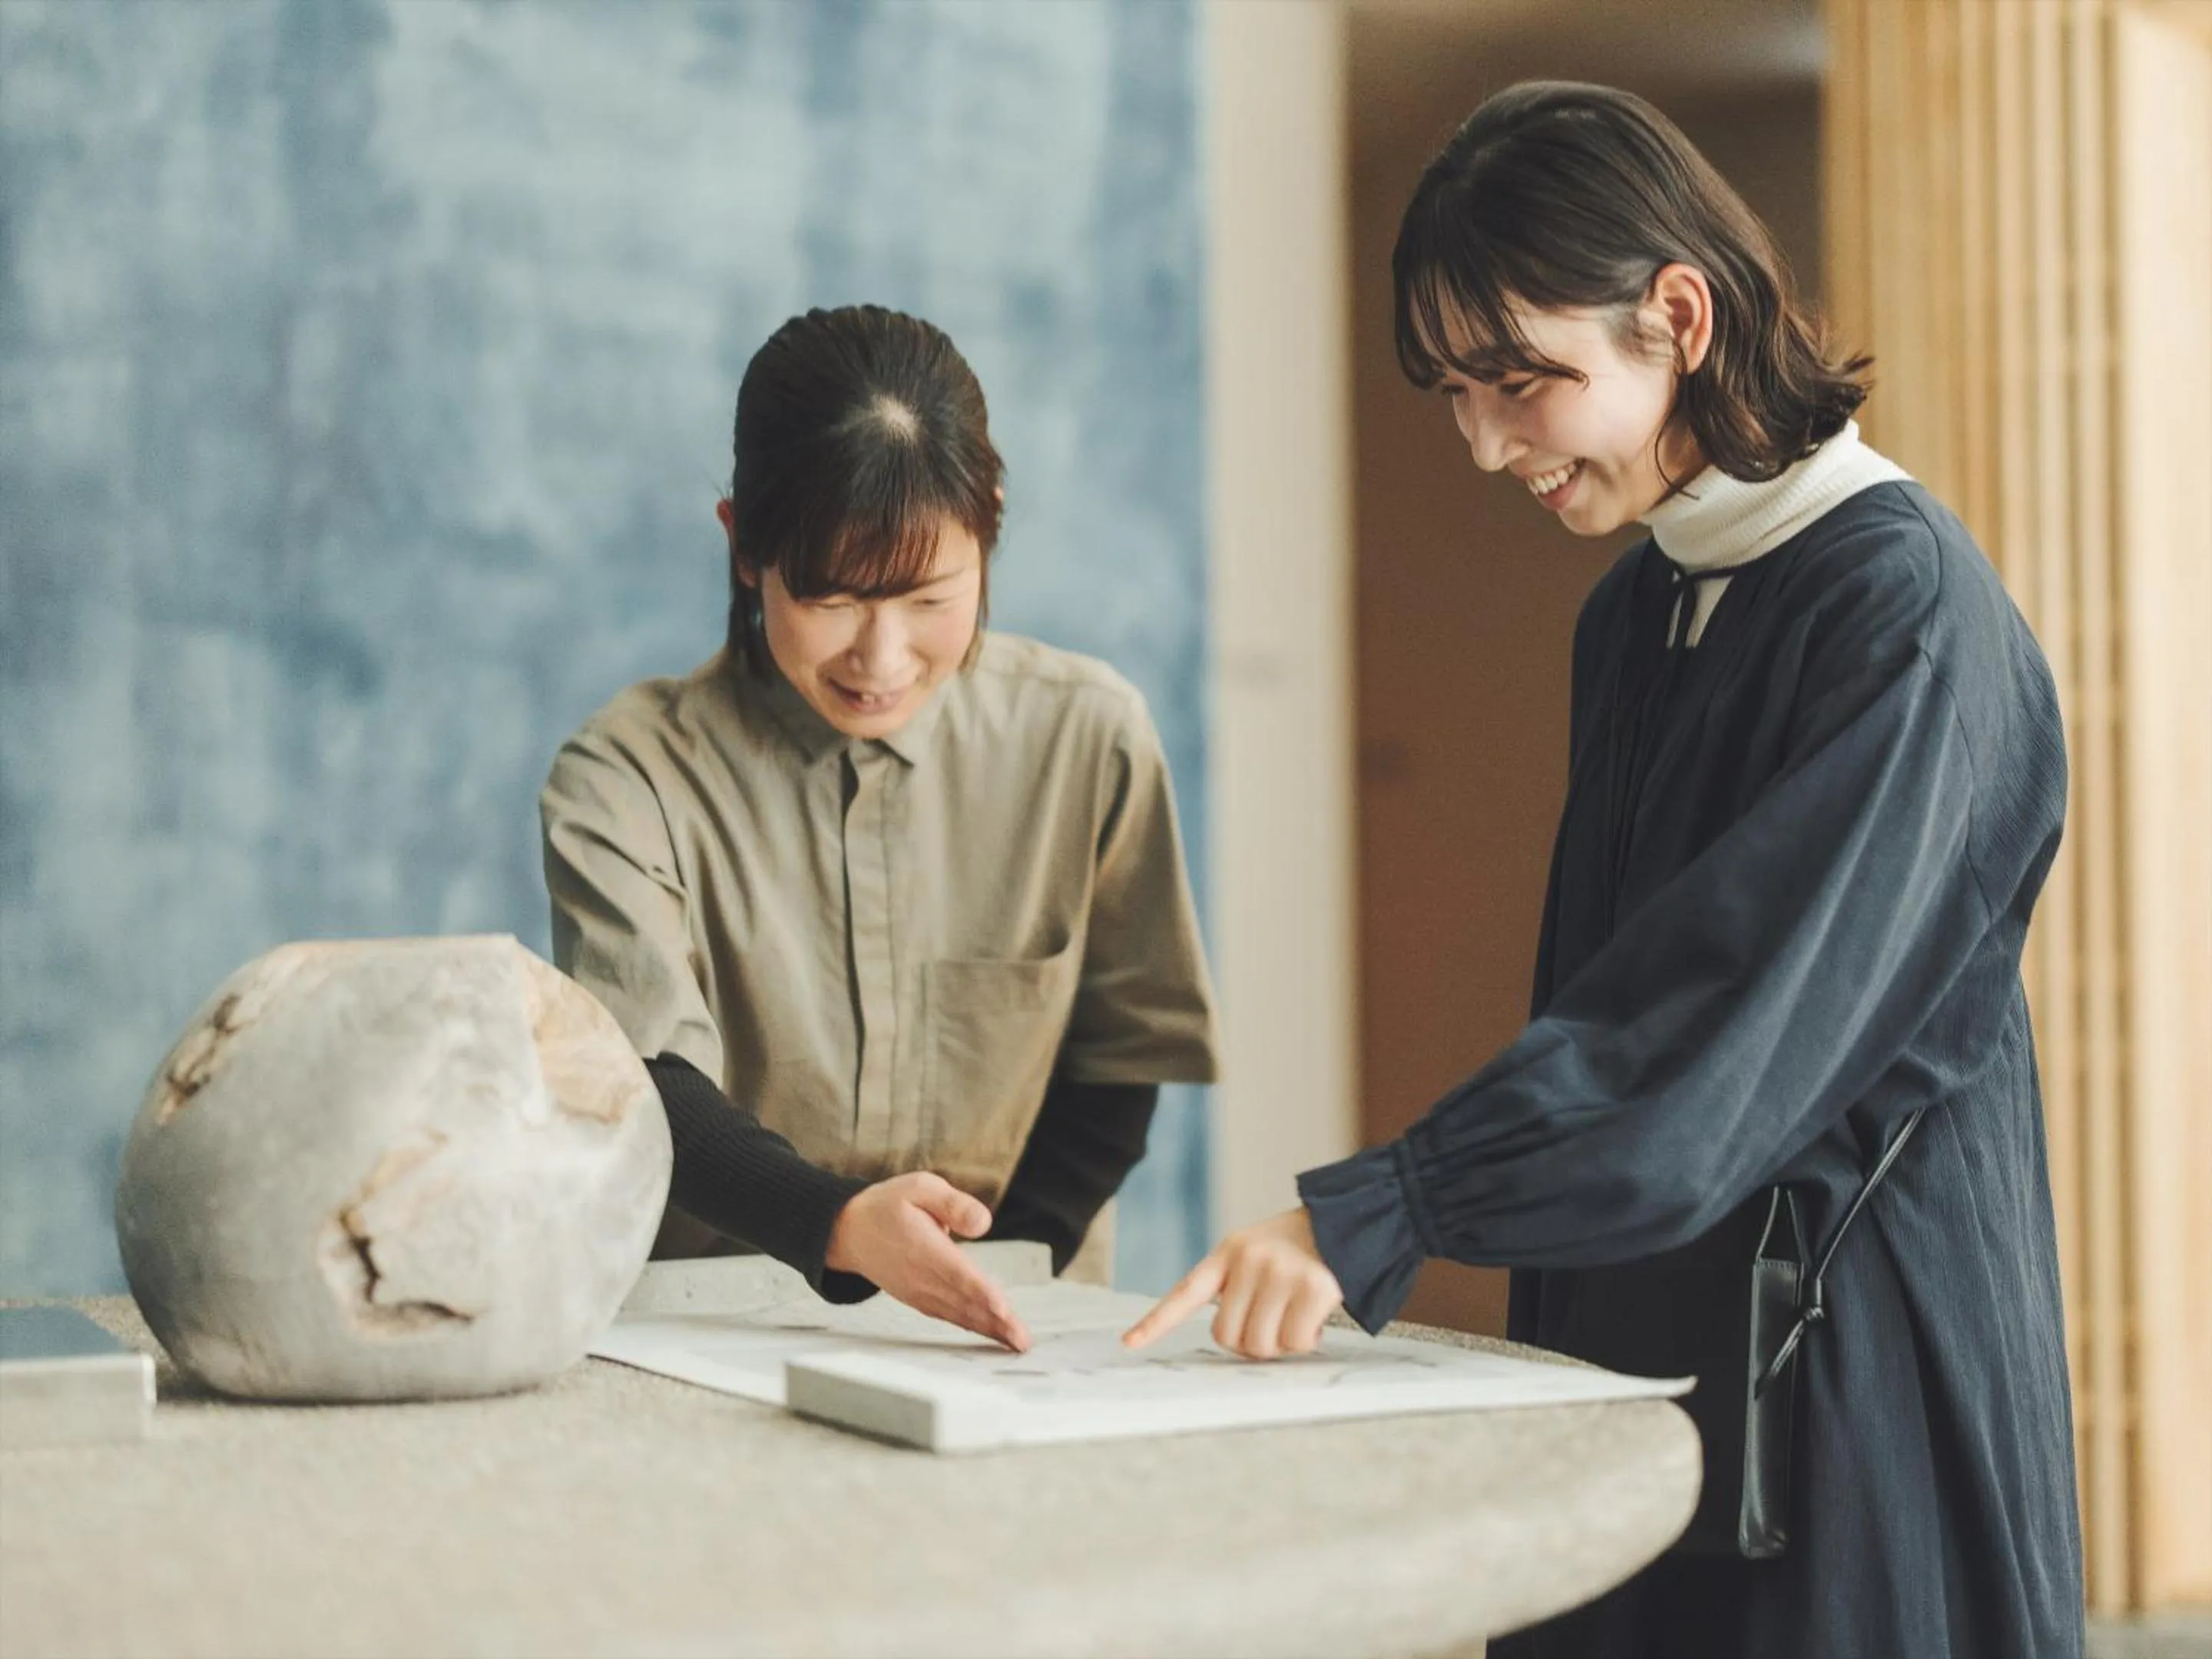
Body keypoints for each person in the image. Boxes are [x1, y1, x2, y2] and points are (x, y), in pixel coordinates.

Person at [1127, 82, 2083, 1657]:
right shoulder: (1636, 613)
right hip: (1634, 1351)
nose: (1492, 443)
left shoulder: (1903, 615)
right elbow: (1608, 1003)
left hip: (1844, 1383)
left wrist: (1388, 1207)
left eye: (1525, 380)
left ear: (1679, 316)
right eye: (1454, 390)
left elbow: (1714, 1035)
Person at [545, 304, 1220, 1352]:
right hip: (714, 1337)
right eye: (831, 598)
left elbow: (1121, 1054)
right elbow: (647, 1083)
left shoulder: (1090, 736)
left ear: (989, 524)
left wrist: (997, 1277)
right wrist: (839, 1229)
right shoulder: (626, 776)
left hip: (1024, 1340)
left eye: (923, 597)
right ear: (745, 547)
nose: (881, 656)